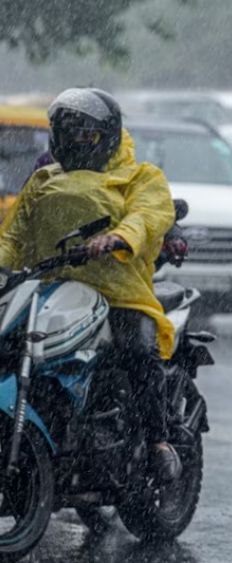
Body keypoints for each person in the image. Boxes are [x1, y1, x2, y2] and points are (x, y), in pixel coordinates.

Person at [0, 88, 182, 481]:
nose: (74, 140)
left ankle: (157, 443)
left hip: (120, 293)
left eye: (85, 133)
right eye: (67, 132)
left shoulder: (140, 176)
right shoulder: (44, 178)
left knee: (136, 351)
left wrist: (116, 238)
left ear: (107, 135)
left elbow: (148, 216)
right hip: (47, 289)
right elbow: (12, 237)